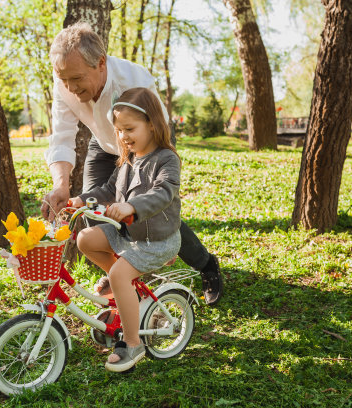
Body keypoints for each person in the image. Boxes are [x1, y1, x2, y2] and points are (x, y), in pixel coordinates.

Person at [41, 22, 223, 305]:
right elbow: (62, 135)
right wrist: (62, 185)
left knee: (149, 212)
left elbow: (158, 136)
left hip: (147, 138)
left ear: (100, 63)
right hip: (103, 141)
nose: (70, 87)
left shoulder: (134, 81)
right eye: (64, 79)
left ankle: (206, 264)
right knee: (92, 210)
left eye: (76, 78)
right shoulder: (64, 78)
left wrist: (141, 190)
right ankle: (126, 276)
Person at [69, 87, 181, 371]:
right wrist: (82, 199)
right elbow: (108, 189)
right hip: (130, 235)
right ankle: (125, 289)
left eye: (129, 128)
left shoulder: (166, 159)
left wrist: (132, 206)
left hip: (156, 240)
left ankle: (133, 344)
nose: (123, 136)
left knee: (119, 273)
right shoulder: (129, 160)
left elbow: (163, 192)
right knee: (85, 239)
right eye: (119, 130)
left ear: (153, 125)